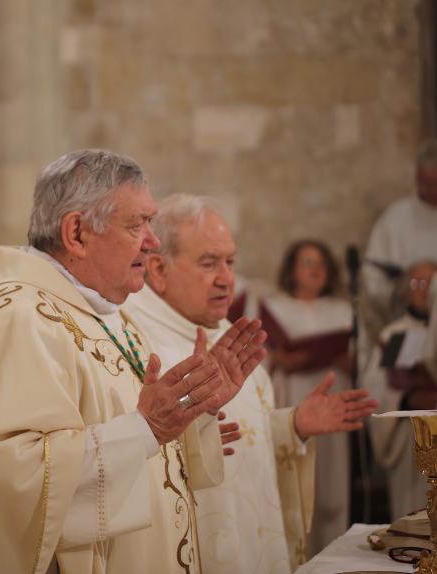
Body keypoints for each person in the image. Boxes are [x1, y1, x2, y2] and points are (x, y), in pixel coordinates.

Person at [0, 149, 268, 574]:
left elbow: (133, 437)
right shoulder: (19, 321)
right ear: (76, 233)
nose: (153, 241)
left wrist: (188, 415)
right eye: (137, 224)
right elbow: (15, 483)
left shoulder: (110, 318)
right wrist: (149, 428)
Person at [123, 194, 376, 573]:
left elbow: (247, 443)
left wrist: (292, 426)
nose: (227, 279)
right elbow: (125, 457)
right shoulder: (136, 346)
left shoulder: (230, 338)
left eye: (230, 262)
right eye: (209, 263)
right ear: (158, 269)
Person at [260, 240, 353, 553]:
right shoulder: (275, 307)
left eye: (321, 263)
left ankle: (336, 552)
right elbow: (264, 359)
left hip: (333, 392)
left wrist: (350, 361)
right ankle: (298, 552)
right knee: (299, 475)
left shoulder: (343, 310)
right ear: (292, 269)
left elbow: (362, 361)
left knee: (332, 478)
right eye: (307, 262)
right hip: (294, 395)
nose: (316, 270)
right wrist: (280, 360)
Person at [364, 260, 437, 518]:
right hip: (410, 434)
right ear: (405, 291)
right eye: (417, 283)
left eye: (431, 282)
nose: (425, 290)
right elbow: (379, 387)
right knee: (413, 511)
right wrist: (407, 397)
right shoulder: (396, 335)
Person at [362, 139, 437, 338]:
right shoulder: (396, 218)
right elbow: (373, 277)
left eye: (435, 182)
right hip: (408, 321)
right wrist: (403, 291)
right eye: (424, 182)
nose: (430, 189)